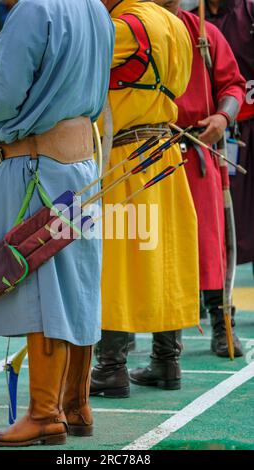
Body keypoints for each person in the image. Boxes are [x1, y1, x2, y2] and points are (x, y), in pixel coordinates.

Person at [0, 0, 114, 447]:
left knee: (42, 285)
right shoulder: (96, 11)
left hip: (37, 167)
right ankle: (75, 406)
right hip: (81, 164)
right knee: (76, 285)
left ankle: (45, 414)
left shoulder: (34, 10)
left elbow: (1, 97)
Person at [130, 0, 246, 389]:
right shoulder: (132, 27)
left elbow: (231, 84)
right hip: (143, 154)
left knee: (207, 245)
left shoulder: (204, 36)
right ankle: (121, 335)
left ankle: (219, 324)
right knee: (140, 247)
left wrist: (222, 116)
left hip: (196, 152)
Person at [91, 0, 199, 398]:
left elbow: (78, 62)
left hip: (125, 156)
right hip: (165, 152)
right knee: (165, 257)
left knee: (116, 262)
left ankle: (110, 367)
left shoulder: (127, 25)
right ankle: (166, 360)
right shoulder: (175, 25)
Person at [198, 1, 254, 269]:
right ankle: (217, 302)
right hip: (208, 134)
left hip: (249, 127)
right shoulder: (191, 18)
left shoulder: (250, 12)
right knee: (212, 222)